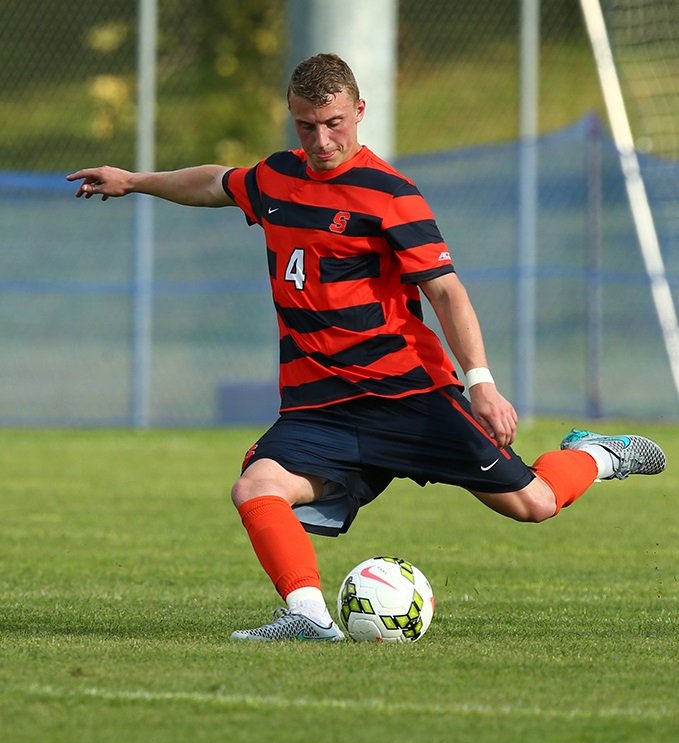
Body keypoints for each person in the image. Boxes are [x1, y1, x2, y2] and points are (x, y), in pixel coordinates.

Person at [68, 52, 666, 642]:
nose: (322, 139)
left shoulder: (390, 193)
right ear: (292, 118)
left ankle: (595, 454)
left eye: (334, 124)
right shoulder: (276, 178)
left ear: (359, 110)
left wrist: (481, 383)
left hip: (409, 392)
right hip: (321, 403)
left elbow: (446, 292)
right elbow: (214, 182)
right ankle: (307, 615)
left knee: (533, 503)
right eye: (306, 125)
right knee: (256, 486)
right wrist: (133, 181)